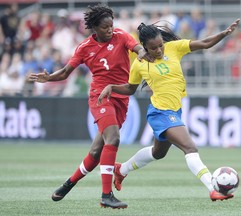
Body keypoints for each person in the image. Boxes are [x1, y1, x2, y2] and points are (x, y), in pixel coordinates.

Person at [98, 19, 240, 202]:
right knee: (190, 147)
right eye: (153, 48)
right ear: (145, 47)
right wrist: (112, 87)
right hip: (160, 113)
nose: (159, 50)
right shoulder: (139, 64)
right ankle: (213, 188)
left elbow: (204, 43)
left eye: (160, 46)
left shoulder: (174, 47)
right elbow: (130, 89)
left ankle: (121, 169)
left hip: (175, 111)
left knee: (158, 153)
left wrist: (224, 33)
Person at [28, 3, 151, 209]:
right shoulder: (85, 48)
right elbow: (66, 72)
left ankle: (68, 184)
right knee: (113, 138)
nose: (110, 29)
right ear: (94, 27)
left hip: (121, 96)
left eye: (111, 25)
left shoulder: (121, 36)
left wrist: (140, 52)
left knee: (96, 151)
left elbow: (137, 47)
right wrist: (49, 77)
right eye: (105, 27)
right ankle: (106, 195)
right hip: (99, 96)